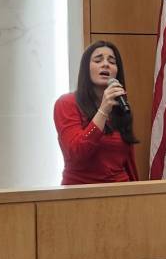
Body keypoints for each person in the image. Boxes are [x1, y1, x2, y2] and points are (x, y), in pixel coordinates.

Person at [54, 41, 139, 185]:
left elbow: (129, 163)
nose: (105, 64)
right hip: (80, 194)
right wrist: (103, 110)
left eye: (112, 62)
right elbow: (75, 154)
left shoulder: (120, 106)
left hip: (121, 194)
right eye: (98, 60)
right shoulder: (66, 103)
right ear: (86, 68)